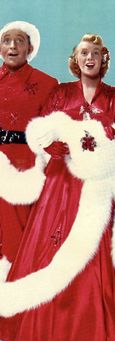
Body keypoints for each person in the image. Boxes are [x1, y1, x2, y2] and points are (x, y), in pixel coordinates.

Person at [0, 33, 115, 341]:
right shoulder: (60, 93)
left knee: (97, 251)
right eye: (83, 53)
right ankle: (47, 325)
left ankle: (93, 327)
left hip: (99, 183)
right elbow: (42, 132)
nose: (90, 58)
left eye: (96, 53)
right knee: (51, 245)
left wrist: (106, 150)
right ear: (75, 60)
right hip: (62, 183)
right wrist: (56, 144)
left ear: (104, 59)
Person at [0, 21, 58, 271]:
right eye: (6, 40)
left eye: (19, 41)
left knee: (19, 236)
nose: (12, 46)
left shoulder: (47, 83)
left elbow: (54, 129)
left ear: (30, 48)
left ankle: (18, 302)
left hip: (25, 166)